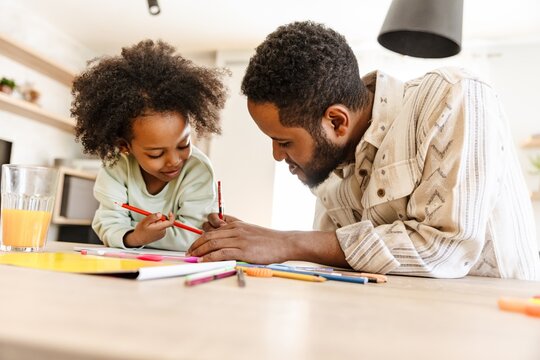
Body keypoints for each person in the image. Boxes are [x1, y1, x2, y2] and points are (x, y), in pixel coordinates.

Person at [187, 21, 540, 280]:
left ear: (336, 122)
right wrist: (252, 241)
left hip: (497, 323)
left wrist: (286, 242)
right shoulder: (330, 160)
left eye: (284, 141)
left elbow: (446, 249)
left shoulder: (454, 96)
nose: (278, 156)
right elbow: (332, 256)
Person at [71, 40, 228, 251]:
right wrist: (135, 237)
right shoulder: (116, 167)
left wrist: (134, 234)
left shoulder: (197, 169)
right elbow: (106, 224)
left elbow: (192, 237)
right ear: (125, 146)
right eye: (156, 153)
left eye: (183, 144)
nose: (174, 160)